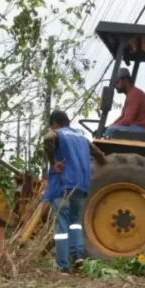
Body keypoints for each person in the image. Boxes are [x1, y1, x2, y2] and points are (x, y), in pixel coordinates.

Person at [42, 109, 91, 275]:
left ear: (55, 124)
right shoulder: (81, 136)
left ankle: (63, 266)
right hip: (81, 185)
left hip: (63, 185)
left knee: (61, 224)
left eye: (51, 126)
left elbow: (48, 138)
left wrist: (53, 161)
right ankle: (77, 255)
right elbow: (98, 153)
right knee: (75, 221)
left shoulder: (58, 133)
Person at [104, 68, 145, 138]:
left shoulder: (134, 95)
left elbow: (127, 120)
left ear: (125, 81)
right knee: (109, 129)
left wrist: (108, 129)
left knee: (110, 131)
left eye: (117, 82)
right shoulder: (131, 94)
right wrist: (108, 127)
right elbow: (122, 117)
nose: (115, 86)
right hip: (139, 128)